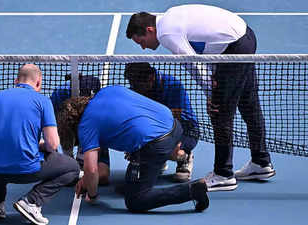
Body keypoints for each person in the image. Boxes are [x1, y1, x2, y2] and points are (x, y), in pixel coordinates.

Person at [126, 4, 275, 191]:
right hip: (245, 36)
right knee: (249, 104)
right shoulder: (169, 17)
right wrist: (213, 80)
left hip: (235, 47)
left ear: (149, 30)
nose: (144, 48)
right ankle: (261, 162)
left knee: (219, 112)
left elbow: (191, 62)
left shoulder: (166, 34)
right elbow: (208, 46)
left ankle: (223, 174)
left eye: (141, 41)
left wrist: (212, 94)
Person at [58, 85, 209, 213]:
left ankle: (193, 190)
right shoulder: (106, 91)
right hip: (174, 126)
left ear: (73, 125)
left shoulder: (85, 125)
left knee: (135, 200)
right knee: (127, 184)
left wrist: (92, 195)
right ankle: (178, 157)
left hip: (157, 143)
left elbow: (91, 169)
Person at [0, 64, 80, 225]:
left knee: (1, 150)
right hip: (24, 171)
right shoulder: (42, 101)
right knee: (73, 168)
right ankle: (32, 202)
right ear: (38, 83)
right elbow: (52, 145)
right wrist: (37, 146)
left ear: (16, 81)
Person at [124, 62, 199, 182]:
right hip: (157, 129)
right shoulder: (135, 89)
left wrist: (152, 111)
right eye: (133, 84)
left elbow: (182, 115)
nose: (136, 89)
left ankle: (185, 157)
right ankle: (157, 160)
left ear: (151, 78)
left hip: (185, 129)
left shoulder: (173, 85)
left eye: (138, 85)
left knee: (176, 153)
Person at [50, 74, 110, 185]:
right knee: (63, 176)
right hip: (67, 125)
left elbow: (99, 128)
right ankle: (68, 162)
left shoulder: (99, 100)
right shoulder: (61, 94)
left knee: (102, 177)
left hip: (89, 128)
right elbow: (51, 127)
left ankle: (80, 161)